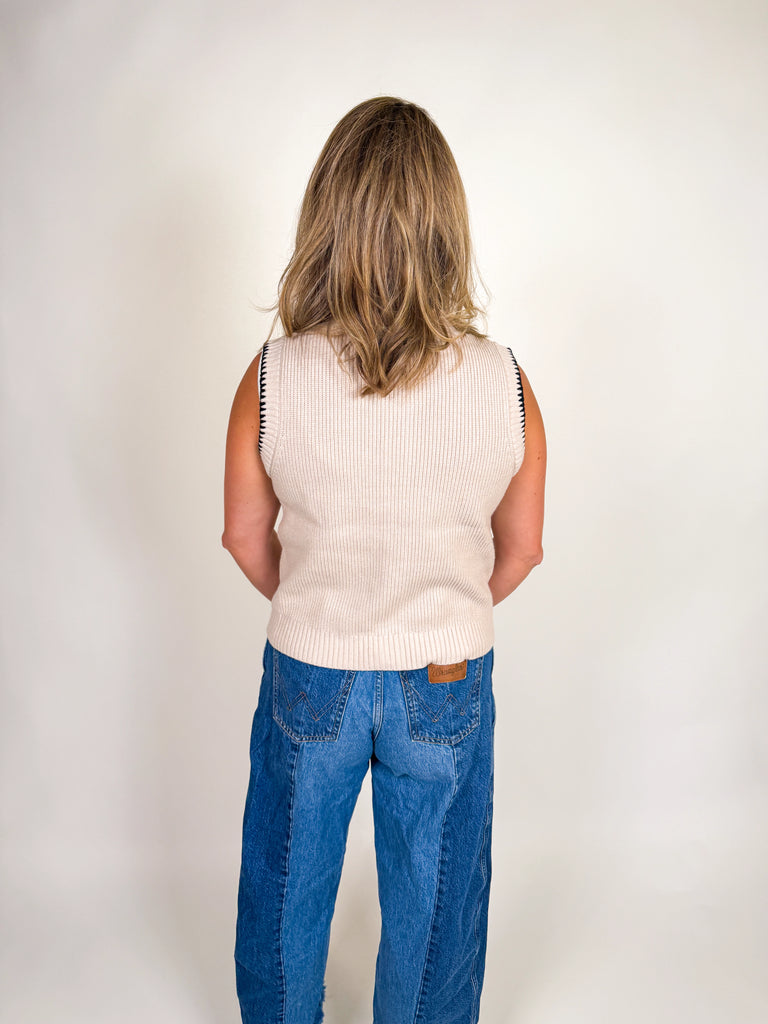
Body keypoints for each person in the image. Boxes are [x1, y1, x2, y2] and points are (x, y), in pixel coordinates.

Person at [221, 96, 546, 1024]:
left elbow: (248, 536)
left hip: (309, 671)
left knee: (283, 892)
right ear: (448, 228)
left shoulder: (272, 375)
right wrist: (440, 604)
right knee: (438, 909)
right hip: (445, 674)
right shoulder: (506, 382)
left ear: (327, 217)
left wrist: (327, 601)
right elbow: (519, 548)